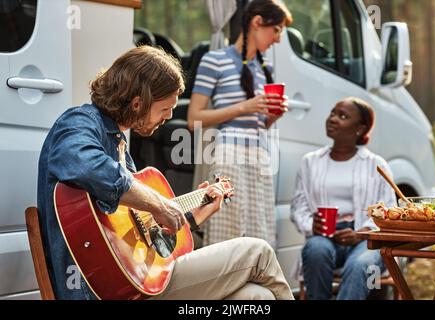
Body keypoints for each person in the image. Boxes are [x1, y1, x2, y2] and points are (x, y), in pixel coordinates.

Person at [37, 46, 294, 300]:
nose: (169, 116)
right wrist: (158, 204)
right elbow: (83, 163)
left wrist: (191, 218)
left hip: (134, 283)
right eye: (165, 109)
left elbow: (144, 245)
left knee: (255, 296)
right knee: (258, 252)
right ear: (138, 103)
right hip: (99, 290)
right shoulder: (79, 122)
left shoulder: (118, 143)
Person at [187, 0, 292, 248]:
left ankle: (253, 286)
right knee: (228, 227)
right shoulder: (214, 60)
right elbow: (194, 119)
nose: (277, 39)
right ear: (257, 22)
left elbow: (258, 124)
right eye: (276, 29)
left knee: (260, 230)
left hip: (259, 154)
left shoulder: (266, 68)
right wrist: (245, 106)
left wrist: (273, 116)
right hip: (229, 153)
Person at [290, 97, 397, 300]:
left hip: (367, 240)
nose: (333, 119)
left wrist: (362, 233)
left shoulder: (377, 165)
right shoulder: (310, 162)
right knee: (315, 251)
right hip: (324, 236)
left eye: (343, 116)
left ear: (360, 128)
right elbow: (298, 206)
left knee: (360, 264)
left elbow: (389, 210)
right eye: (332, 113)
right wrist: (312, 225)